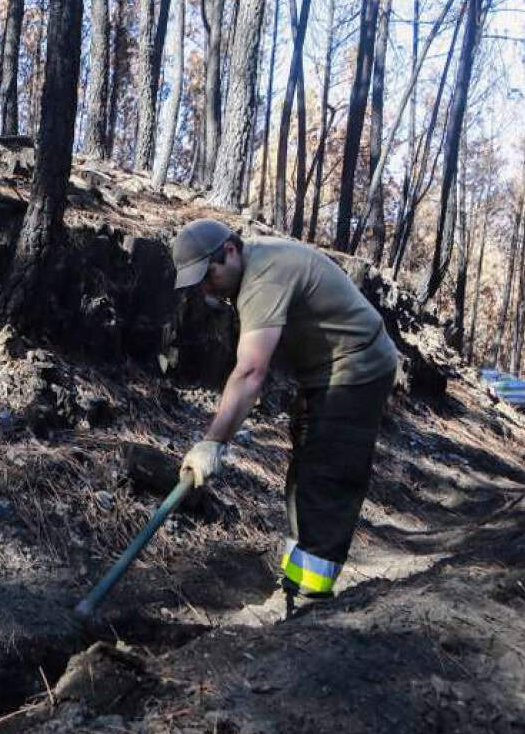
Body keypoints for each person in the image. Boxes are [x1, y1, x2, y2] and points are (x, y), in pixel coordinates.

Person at [170, 219, 398, 612]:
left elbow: (250, 372)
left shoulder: (265, 276)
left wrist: (214, 441)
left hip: (358, 366)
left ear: (229, 250)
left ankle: (312, 598)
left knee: (327, 472)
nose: (205, 288)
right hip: (325, 372)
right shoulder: (250, 269)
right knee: (305, 469)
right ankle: (295, 584)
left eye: (207, 276)